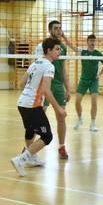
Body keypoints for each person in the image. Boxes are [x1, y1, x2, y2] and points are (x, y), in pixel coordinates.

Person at [10, 38, 67, 176]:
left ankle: (32, 157)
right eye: (57, 49)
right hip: (32, 105)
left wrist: (32, 88)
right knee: (47, 136)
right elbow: (46, 91)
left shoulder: (35, 62)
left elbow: (21, 83)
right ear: (48, 50)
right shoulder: (49, 66)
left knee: (30, 130)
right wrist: (58, 108)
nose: (59, 52)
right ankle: (21, 159)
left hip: (22, 103)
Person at [34, 20, 73, 159]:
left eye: (60, 28)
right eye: (56, 28)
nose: (58, 31)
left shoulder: (62, 48)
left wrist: (68, 89)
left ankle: (62, 147)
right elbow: (36, 67)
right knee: (39, 118)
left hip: (58, 86)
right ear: (50, 30)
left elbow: (63, 69)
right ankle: (29, 148)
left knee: (61, 117)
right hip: (45, 85)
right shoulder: (42, 47)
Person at [73, 34, 103, 133]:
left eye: (94, 41)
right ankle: (80, 118)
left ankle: (93, 123)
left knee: (94, 101)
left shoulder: (98, 53)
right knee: (77, 101)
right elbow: (72, 47)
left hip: (93, 81)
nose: (92, 42)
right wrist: (64, 37)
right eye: (91, 40)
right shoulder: (83, 52)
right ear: (87, 42)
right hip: (83, 80)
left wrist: (100, 75)